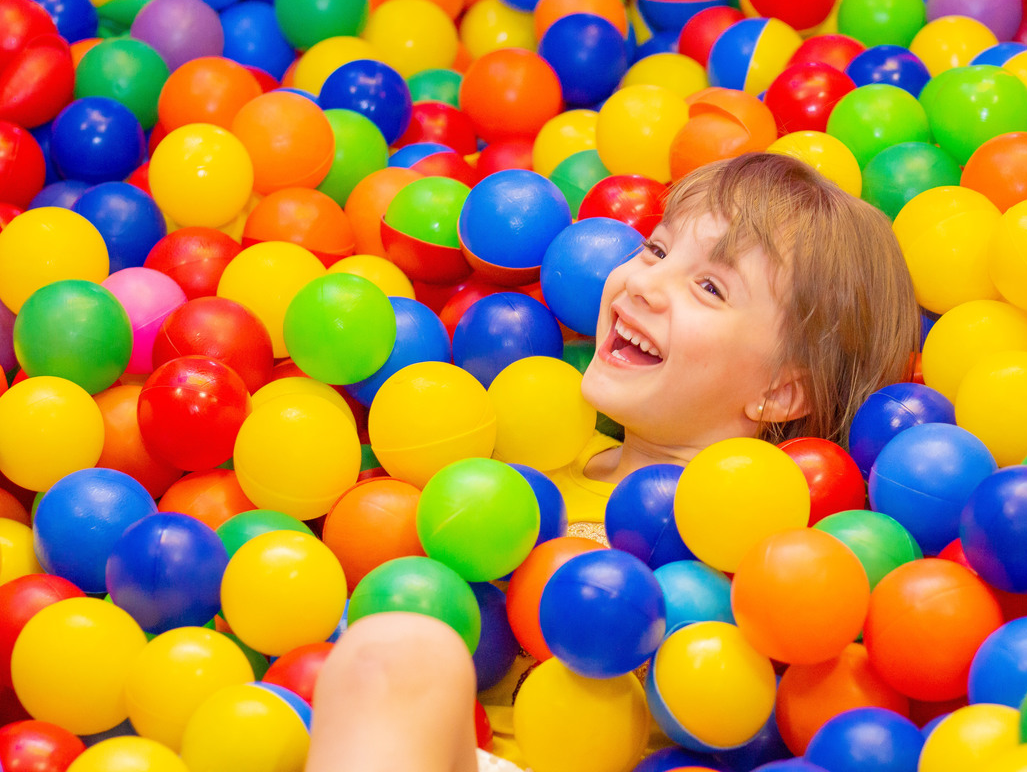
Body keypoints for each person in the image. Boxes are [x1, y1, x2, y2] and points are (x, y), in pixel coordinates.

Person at [305, 152, 922, 771]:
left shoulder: (773, 559)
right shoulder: (514, 471)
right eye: (656, 250)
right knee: (384, 647)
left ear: (781, 391)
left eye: (710, 287)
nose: (643, 284)